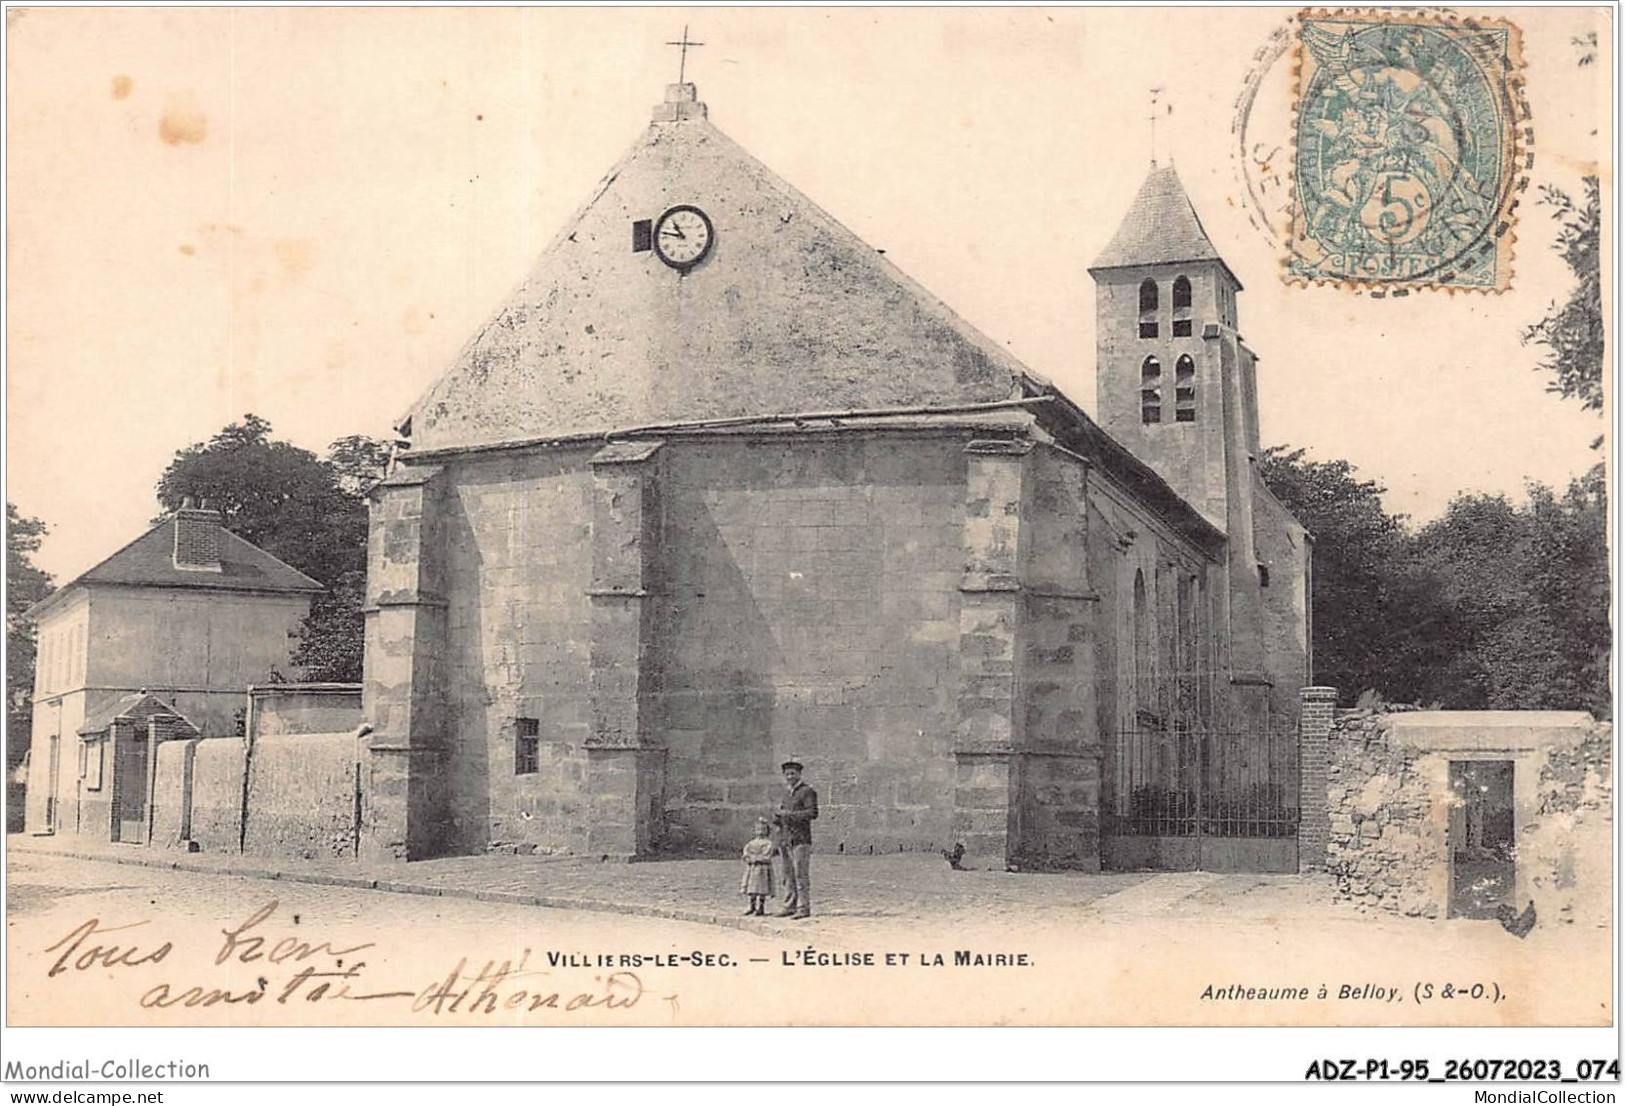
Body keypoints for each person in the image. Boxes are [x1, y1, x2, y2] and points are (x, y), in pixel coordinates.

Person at [772, 756, 818, 919]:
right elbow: (782, 813)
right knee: (787, 875)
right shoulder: (786, 793)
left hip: (801, 839)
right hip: (786, 838)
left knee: (800, 875)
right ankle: (789, 905)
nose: (790, 777)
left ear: (799, 774)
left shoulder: (807, 791)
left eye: (793, 774)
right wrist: (777, 818)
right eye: (787, 774)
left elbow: (812, 813)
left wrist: (789, 815)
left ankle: (803, 907)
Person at [740, 817, 776, 916]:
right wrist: (747, 858)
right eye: (758, 830)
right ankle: (751, 906)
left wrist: (756, 858)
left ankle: (761, 908)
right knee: (752, 888)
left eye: (763, 830)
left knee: (761, 889)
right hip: (752, 868)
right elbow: (746, 851)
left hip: (762, 869)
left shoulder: (768, 843)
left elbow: (767, 855)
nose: (760, 832)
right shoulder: (751, 843)